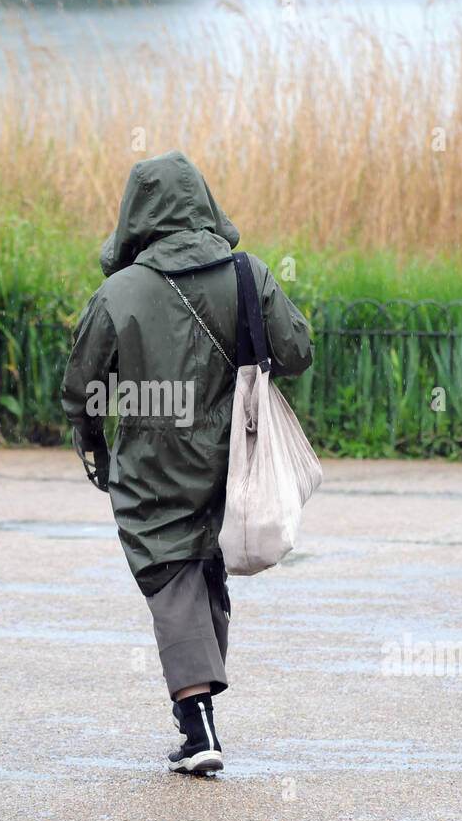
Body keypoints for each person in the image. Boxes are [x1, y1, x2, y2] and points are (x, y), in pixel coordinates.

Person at [61, 150, 314, 775]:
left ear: (136, 213)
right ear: (202, 201)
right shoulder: (248, 274)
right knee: (205, 572)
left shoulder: (119, 292)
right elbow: (298, 350)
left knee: (171, 577)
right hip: (235, 457)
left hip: (154, 460)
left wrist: (93, 444)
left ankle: (197, 722)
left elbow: (81, 386)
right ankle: (195, 716)